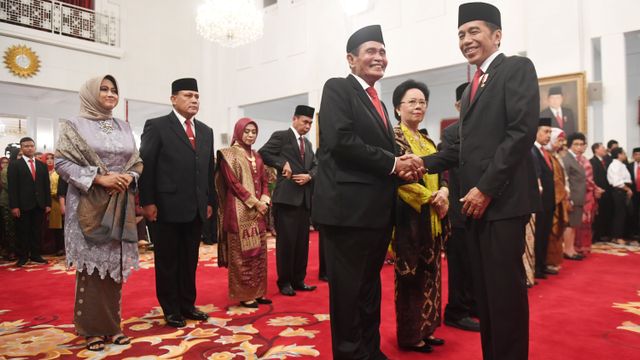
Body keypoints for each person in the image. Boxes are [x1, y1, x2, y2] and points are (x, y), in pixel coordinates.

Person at [419, 3, 540, 359]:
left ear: (496, 36)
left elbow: (520, 133)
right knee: (486, 298)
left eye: (474, 32)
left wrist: (485, 188)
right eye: (460, 34)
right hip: (474, 209)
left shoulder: (515, 68)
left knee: (505, 295)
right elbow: (461, 149)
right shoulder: (473, 85)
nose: (466, 40)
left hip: (500, 203)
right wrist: (415, 164)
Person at [311, 24, 422, 359]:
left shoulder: (380, 103)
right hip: (347, 212)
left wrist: (405, 166)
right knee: (348, 292)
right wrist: (393, 163)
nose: (379, 58)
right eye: (371, 51)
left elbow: (377, 155)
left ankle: (369, 350)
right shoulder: (338, 89)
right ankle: (349, 353)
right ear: (351, 59)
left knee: (369, 287)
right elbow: (342, 142)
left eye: (383, 52)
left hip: (375, 212)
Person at [55, 74, 142, 351]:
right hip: (88, 204)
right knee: (92, 269)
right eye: (103, 89)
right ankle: (91, 329)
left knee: (113, 266)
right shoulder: (74, 125)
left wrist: (129, 177)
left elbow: (136, 161)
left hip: (119, 203)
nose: (109, 94)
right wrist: (98, 178)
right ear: (91, 94)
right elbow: (61, 163)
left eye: (114, 90)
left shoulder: (124, 126)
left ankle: (113, 325)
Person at [139, 78, 215, 328]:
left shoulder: (205, 130)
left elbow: (207, 169)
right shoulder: (158, 126)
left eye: (197, 96)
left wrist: (209, 200)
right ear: (173, 99)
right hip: (166, 207)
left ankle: (187, 304)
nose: (194, 100)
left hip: (195, 207)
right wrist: (147, 201)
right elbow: (147, 166)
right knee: (168, 260)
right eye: (188, 95)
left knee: (189, 260)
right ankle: (170, 308)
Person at [390, 79, 449, 353]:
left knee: (432, 273)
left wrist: (444, 193)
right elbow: (396, 178)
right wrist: (429, 197)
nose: (418, 106)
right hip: (409, 218)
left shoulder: (427, 140)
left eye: (422, 102)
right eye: (411, 102)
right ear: (397, 108)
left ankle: (428, 329)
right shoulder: (393, 137)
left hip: (434, 216)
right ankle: (411, 334)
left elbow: (443, 172)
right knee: (410, 275)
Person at [259, 105, 318, 297]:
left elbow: (317, 166)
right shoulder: (281, 136)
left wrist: (309, 176)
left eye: (310, 123)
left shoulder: (308, 144)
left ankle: (298, 280)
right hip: (286, 199)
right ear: (294, 119)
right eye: (304, 121)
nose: (307, 126)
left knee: (302, 243)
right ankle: (284, 282)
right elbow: (263, 152)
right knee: (287, 244)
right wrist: (281, 163)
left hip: (304, 200)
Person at [216, 118, 271, 308]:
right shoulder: (228, 155)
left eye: (253, 132)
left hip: (258, 213)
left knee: (259, 253)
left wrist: (264, 200)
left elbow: (265, 180)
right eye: (246, 131)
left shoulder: (257, 156)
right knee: (243, 254)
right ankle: (245, 294)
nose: (250, 135)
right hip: (239, 211)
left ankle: (259, 291)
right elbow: (234, 185)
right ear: (238, 131)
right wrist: (255, 203)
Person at [442, 82, 480, 332]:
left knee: (478, 263)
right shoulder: (452, 133)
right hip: (459, 209)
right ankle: (456, 311)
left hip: (483, 209)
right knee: (460, 265)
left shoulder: (487, 129)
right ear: (458, 105)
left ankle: (474, 304)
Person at [8, 137, 51, 267]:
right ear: (22, 148)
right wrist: (14, 206)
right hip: (22, 205)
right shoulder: (15, 165)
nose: (29, 148)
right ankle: (23, 256)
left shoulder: (42, 165)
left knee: (37, 231)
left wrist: (48, 203)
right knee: (23, 231)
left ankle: (36, 255)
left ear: (35, 147)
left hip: (39, 204)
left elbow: (45, 186)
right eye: (26, 146)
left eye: (31, 146)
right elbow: (12, 187)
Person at [531, 118, 554, 278]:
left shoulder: (545, 152)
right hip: (538, 202)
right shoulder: (531, 150)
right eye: (546, 132)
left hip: (548, 201)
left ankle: (542, 264)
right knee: (538, 235)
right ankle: (537, 267)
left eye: (550, 132)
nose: (548, 135)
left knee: (545, 234)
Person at [545, 128, 569, 274]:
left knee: (557, 231)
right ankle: (548, 261)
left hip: (559, 198)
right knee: (550, 233)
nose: (560, 143)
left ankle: (554, 260)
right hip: (552, 199)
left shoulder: (554, 156)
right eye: (558, 140)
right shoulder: (546, 156)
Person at [562, 132, 587, 260]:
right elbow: (565, 180)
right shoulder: (567, 159)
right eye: (576, 144)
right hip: (571, 198)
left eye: (581, 144)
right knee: (569, 225)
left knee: (574, 225)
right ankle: (567, 250)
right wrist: (568, 198)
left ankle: (571, 248)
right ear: (570, 145)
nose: (579, 147)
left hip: (579, 198)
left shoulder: (577, 159)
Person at [607, 147, 633, 245]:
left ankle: (617, 236)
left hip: (622, 191)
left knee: (622, 214)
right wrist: (627, 189)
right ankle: (617, 237)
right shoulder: (615, 165)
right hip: (619, 191)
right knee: (619, 215)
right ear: (619, 154)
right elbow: (617, 182)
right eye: (623, 153)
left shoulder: (621, 165)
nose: (625, 155)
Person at [41, 153, 64, 255]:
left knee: (57, 226)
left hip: (56, 201)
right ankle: (47, 247)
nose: (50, 160)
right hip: (44, 201)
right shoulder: (41, 171)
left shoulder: (58, 172)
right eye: (47, 159)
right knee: (45, 226)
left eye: (52, 158)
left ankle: (59, 247)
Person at [590, 142, 612, 243]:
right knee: (596, 215)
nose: (604, 150)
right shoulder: (592, 162)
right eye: (602, 148)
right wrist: (597, 188)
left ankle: (602, 234)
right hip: (597, 191)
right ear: (596, 150)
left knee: (603, 213)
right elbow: (593, 178)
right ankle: (596, 236)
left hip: (605, 192)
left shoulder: (605, 161)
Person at [626, 147, 640, 241]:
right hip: (634, 193)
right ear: (633, 155)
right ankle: (635, 232)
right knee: (634, 212)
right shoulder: (629, 166)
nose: (638, 156)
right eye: (636, 154)